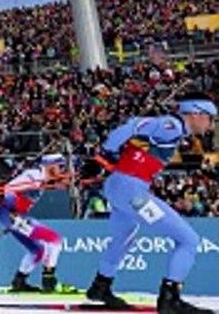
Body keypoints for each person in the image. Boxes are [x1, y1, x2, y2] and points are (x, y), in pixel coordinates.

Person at [84, 93, 217, 314]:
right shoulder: (172, 125)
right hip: (131, 192)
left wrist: (109, 156)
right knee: (188, 240)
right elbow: (132, 126)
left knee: (123, 238)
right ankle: (170, 299)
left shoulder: (175, 131)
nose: (211, 124)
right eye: (210, 118)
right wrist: (103, 155)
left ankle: (101, 286)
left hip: (121, 188)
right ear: (196, 113)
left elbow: (134, 139)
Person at [0, 154, 69, 293]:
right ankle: (49, 280)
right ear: (51, 165)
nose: (62, 169)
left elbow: (57, 183)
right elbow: (8, 189)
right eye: (60, 166)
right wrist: (12, 214)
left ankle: (19, 281)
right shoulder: (34, 175)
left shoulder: (43, 179)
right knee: (54, 240)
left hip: (15, 216)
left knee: (37, 250)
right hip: (12, 214)